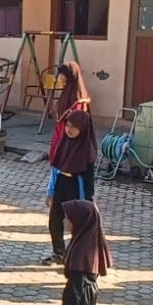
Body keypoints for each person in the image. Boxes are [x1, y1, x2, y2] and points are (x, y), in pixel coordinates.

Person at [43, 110, 96, 265]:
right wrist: (50, 193)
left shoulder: (87, 151)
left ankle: (77, 257)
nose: (69, 130)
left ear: (83, 128)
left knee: (77, 225)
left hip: (76, 188)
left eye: (74, 127)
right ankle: (58, 252)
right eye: (67, 126)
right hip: (61, 185)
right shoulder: (63, 144)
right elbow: (55, 170)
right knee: (54, 220)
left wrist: (86, 201)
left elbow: (88, 181)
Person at [48, 62, 91, 165]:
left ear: (69, 76)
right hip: (62, 127)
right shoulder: (68, 88)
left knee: (67, 154)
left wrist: (67, 122)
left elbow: (77, 114)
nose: (60, 77)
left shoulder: (77, 93)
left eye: (63, 75)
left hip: (70, 129)